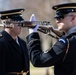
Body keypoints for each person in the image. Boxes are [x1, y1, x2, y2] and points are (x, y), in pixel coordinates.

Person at [26, 3, 76, 75]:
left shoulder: (66, 43)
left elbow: (38, 60)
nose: (57, 20)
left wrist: (32, 35)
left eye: (60, 17)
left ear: (73, 18)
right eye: (56, 18)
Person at [0, 9, 29, 75]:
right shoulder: (1, 43)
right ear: (8, 24)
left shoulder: (22, 43)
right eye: (18, 23)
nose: (21, 25)